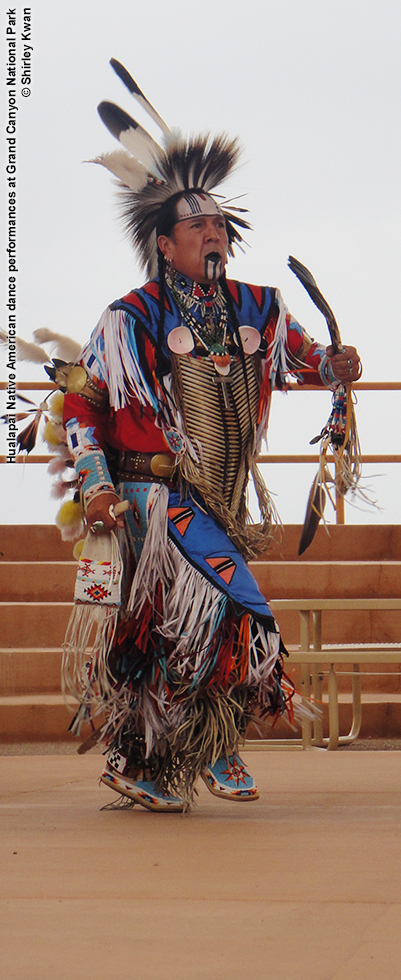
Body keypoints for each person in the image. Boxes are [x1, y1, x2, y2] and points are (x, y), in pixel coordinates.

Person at [61, 62, 361, 812]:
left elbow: (302, 361)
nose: (211, 233)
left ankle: (186, 758)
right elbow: (82, 403)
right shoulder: (130, 316)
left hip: (222, 497)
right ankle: (187, 756)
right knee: (223, 613)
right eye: (195, 226)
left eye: (218, 223)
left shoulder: (257, 305)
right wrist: (94, 483)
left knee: (199, 627)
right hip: (154, 498)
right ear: (164, 245)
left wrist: (334, 363)